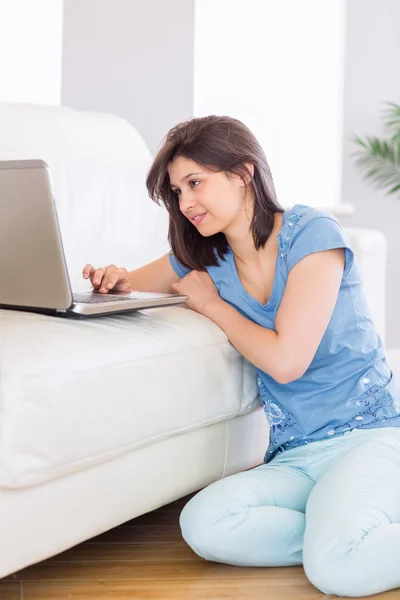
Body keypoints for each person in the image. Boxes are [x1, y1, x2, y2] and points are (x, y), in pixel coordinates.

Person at [82, 115, 400, 597]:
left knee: (338, 571)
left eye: (195, 183)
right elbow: (126, 286)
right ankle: (340, 537)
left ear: (243, 173)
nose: (186, 203)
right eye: (177, 192)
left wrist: (211, 306)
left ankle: (341, 546)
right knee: (206, 524)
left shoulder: (312, 234)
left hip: (367, 441)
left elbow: (287, 361)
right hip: (296, 457)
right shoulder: (203, 256)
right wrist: (110, 278)